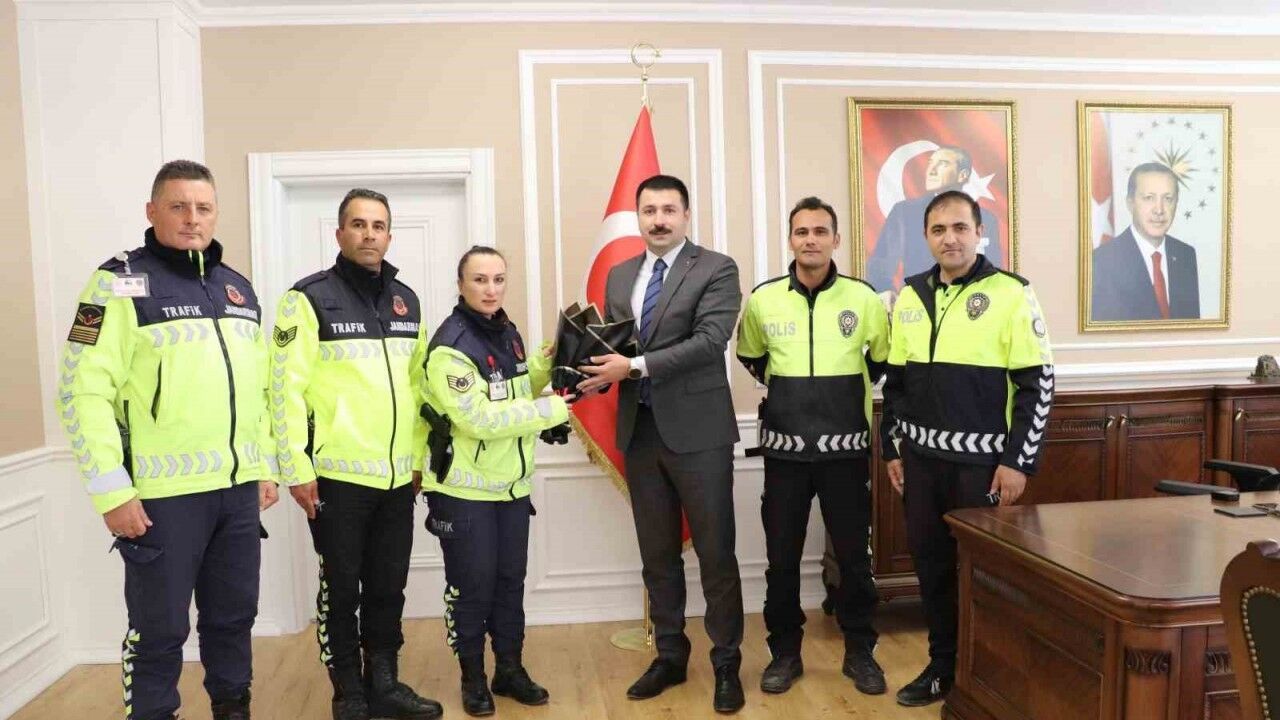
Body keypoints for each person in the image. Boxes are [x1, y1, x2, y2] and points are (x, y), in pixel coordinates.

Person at [56, 160, 278, 720]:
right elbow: (81, 392)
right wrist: (112, 491)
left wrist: (263, 467)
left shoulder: (237, 288)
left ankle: (233, 709)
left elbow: (258, 390)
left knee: (233, 618)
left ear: (216, 214)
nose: (192, 218)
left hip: (237, 493)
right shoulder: (116, 284)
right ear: (152, 211)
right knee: (159, 629)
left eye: (203, 208)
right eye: (178, 206)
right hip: (161, 497)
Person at [576, 174, 746, 714]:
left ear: (686, 215)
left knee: (716, 555)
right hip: (640, 433)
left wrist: (633, 367)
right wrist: (588, 369)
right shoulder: (621, 273)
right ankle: (670, 655)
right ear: (638, 217)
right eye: (649, 211)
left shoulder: (716, 268)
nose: (658, 220)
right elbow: (615, 345)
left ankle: (726, 663)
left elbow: (709, 342)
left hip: (700, 434)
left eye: (669, 210)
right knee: (657, 557)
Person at [270, 189, 442, 720]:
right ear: (340, 232)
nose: (369, 234)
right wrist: (296, 468)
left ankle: (384, 683)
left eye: (379, 225)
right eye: (359, 224)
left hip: (397, 480)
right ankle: (348, 690)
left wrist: (417, 460)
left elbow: (420, 391)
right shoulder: (307, 299)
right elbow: (283, 390)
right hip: (336, 479)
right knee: (341, 589)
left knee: (389, 587)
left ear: (389, 235)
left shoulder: (407, 301)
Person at [879, 190, 1053, 707]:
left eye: (960, 228)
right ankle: (942, 668)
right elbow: (896, 384)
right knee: (932, 569)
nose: (949, 239)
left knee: (985, 575)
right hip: (921, 464)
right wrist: (893, 449)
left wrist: (1018, 462)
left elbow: (1038, 384)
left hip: (983, 466)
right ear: (926, 237)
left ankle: (991, 676)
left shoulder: (1012, 293)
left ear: (980, 232)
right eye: (938, 230)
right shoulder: (910, 295)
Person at [735, 196, 889, 696]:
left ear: (836, 240)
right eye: (802, 232)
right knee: (781, 560)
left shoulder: (863, 298)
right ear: (790, 240)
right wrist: (791, 395)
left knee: (854, 558)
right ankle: (785, 653)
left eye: (820, 231)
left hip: (846, 454)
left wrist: (839, 398)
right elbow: (751, 356)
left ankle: (860, 651)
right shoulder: (763, 299)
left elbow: (880, 360)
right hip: (785, 455)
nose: (811, 240)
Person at [421, 245, 571, 717]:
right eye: (480, 280)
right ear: (461, 284)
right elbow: (479, 420)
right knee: (472, 588)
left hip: (510, 488)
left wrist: (545, 364)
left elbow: (515, 390)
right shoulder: (450, 347)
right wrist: (552, 409)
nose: (491, 289)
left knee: (509, 583)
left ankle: (509, 669)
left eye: (499, 279)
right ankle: (473, 679)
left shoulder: (507, 333)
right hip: (463, 492)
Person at [866, 146, 1003, 292]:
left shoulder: (986, 218)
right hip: (919, 300)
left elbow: (991, 271)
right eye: (930, 163)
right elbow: (879, 267)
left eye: (942, 164)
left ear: (962, 175)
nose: (931, 170)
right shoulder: (904, 212)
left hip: (970, 301)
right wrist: (888, 294)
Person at [1091, 162, 1201, 321]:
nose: (1159, 210)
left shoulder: (1185, 255)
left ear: (1176, 203)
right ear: (1130, 203)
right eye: (1149, 198)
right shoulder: (1102, 261)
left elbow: (1191, 329)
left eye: (1168, 199)